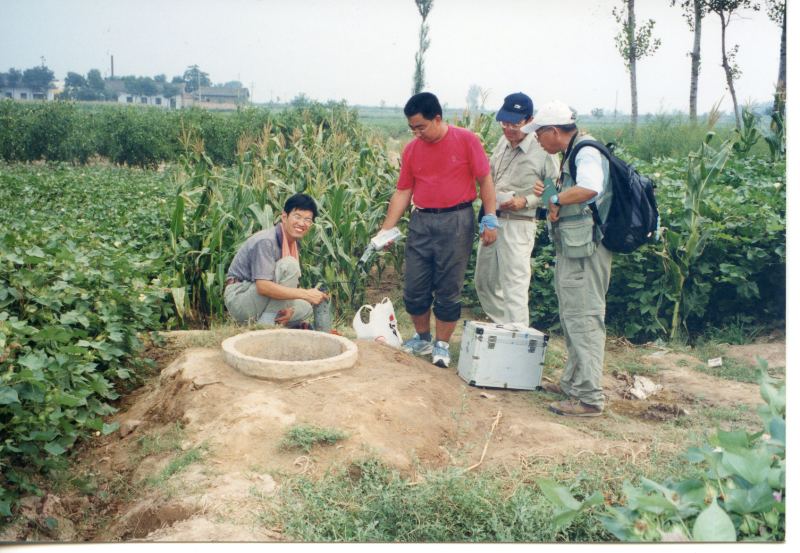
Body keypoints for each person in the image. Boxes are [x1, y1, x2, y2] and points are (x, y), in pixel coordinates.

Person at [375, 92, 498, 368]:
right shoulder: (412, 150)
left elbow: (485, 180)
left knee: (448, 287)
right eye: (412, 128)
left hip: (457, 220)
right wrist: (386, 229)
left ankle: (442, 344)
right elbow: (403, 190)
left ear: (437, 119)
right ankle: (423, 338)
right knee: (414, 288)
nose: (416, 133)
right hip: (421, 221)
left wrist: (489, 216)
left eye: (421, 127)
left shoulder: (466, 140)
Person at [521, 101, 612, 417]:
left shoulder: (585, 152)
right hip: (574, 249)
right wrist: (550, 193)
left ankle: (588, 398)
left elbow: (590, 188)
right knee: (573, 314)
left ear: (553, 131)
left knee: (584, 316)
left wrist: (557, 197)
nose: (536, 140)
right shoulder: (572, 153)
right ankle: (573, 382)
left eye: (539, 134)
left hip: (586, 252)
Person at [475, 92, 559, 325]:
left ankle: (518, 337)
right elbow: (490, 176)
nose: (508, 129)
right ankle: (504, 328)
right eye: (504, 123)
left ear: (530, 121)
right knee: (484, 281)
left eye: (515, 124)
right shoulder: (502, 142)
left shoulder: (543, 150)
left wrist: (527, 201)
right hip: (493, 218)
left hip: (519, 223)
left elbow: (554, 193)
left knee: (514, 285)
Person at [224, 193, 328, 327]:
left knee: (305, 306)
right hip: (241, 298)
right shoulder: (266, 241)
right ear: (284, 217)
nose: (302, 223)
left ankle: (269, 321)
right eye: (297, 216)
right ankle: (266, 328)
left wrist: (290, 306)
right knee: (290, 265)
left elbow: (286, 284)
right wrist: (306, 293)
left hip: (260, 300)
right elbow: (263, 287)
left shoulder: (293, 245)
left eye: (308, 220)